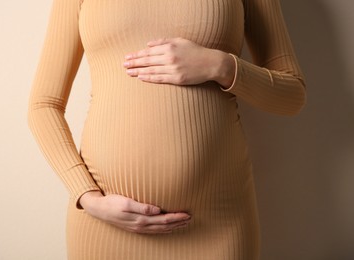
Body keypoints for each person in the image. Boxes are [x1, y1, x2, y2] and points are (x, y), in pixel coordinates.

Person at [28, 0, 306, 259]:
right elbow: (44, 105)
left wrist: (220, 66)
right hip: (106, 227)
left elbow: (292, 95)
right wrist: (87, 198)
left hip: (218, 224)